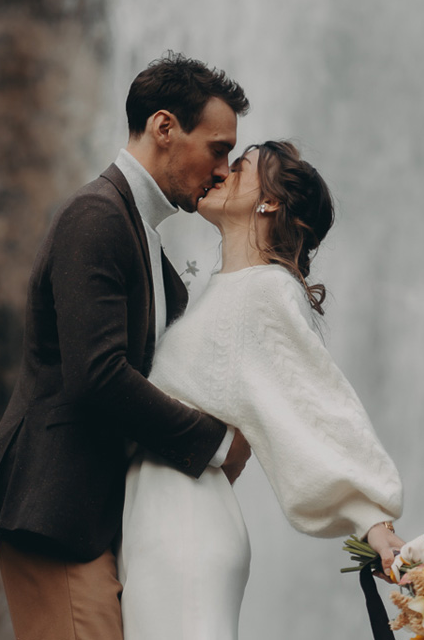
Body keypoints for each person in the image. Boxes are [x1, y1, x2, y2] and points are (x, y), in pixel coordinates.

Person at [0, 53, 254, 640]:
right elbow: (97, 376)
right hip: (57, 510)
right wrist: (218, 443)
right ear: (164, 128)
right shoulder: (95, 218)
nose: (223, 171)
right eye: (219, 148)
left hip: (94, 514)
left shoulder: (140, 231)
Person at [118, 141, 405, 640]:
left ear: (268, 202)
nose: (220, 172)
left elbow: (316, 406)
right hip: (159, 523)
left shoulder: (265, 292)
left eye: (240, 166)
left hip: (184, 528)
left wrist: (376, 524)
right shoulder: (226, 291)